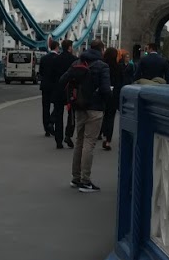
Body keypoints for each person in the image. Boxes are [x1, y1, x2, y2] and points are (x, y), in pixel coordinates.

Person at [63, 38, 112, 193]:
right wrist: (109, 101)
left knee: (79, 141)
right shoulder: (102, 66)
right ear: (101, 50)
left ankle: (75, 178)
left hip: (79, 107)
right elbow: (105, 89)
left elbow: (63, 80)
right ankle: (85, 181)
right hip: (95, 108)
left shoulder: (77, 63)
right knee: (89, 143)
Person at [51, 39, 78, 149]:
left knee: (58, 115)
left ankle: (58, 140)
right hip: (70, 91)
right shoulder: (75, 60)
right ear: (70, 48)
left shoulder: (55, 59)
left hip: (58, 90)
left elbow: (52, 76)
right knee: (71, 115)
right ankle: (68, 135)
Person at [37, 39, 61, 137]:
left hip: (45, 86)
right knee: (57, 106)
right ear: (57, 47)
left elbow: (41, 72)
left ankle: (46, 129)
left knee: (45, 108)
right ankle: (52, 122)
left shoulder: (43, 58)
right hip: (55, 86)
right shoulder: (59, 59)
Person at [99, 47, 121, 150]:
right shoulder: (118, 67)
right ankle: (107, 140)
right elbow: (120, 83)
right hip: (113, 95)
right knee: (110, 117)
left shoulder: (101, 65)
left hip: (102, 93)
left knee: (100, 114)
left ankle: (99, 133)